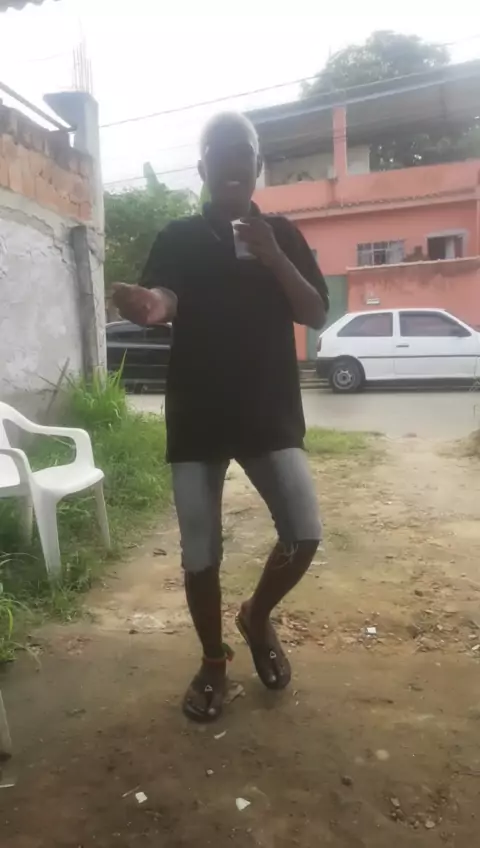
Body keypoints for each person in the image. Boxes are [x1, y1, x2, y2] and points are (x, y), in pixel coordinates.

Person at [112, 112, 329, 722]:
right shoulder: (178, 235)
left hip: (268, 410)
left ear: (257, 166)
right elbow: (165, 296)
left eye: (243, 152)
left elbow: (315, 313)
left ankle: (257, 617)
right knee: (200, 552)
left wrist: (273, 256)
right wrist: (149, 305)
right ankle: (213, 659)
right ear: (203, 167)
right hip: (197, 413)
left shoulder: (281, 233)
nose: (232, 162)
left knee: (304, 533)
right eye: (219, 152)